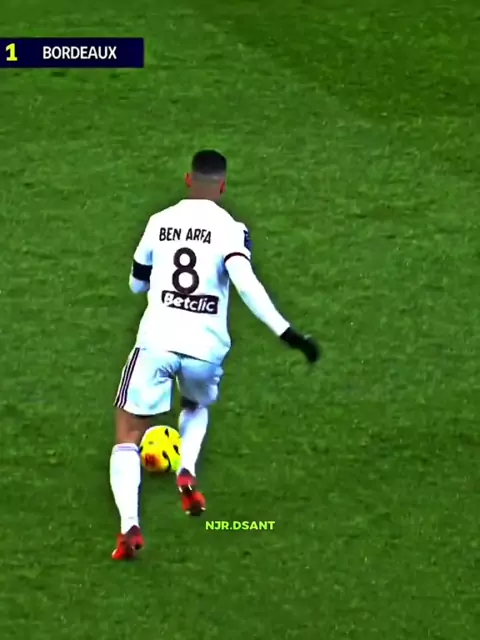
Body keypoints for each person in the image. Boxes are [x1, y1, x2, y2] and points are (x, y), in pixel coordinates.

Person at [110, 150, 320, 560]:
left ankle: (129, 527)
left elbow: (137, 285)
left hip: (158, 340)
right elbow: (246, 283)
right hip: (206, 347)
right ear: (222, 186)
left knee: (128, 432)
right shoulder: (230, 229)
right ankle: (186, 470)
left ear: (189, 179)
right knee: (195, 403)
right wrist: (288, 334)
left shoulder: (159, 221)